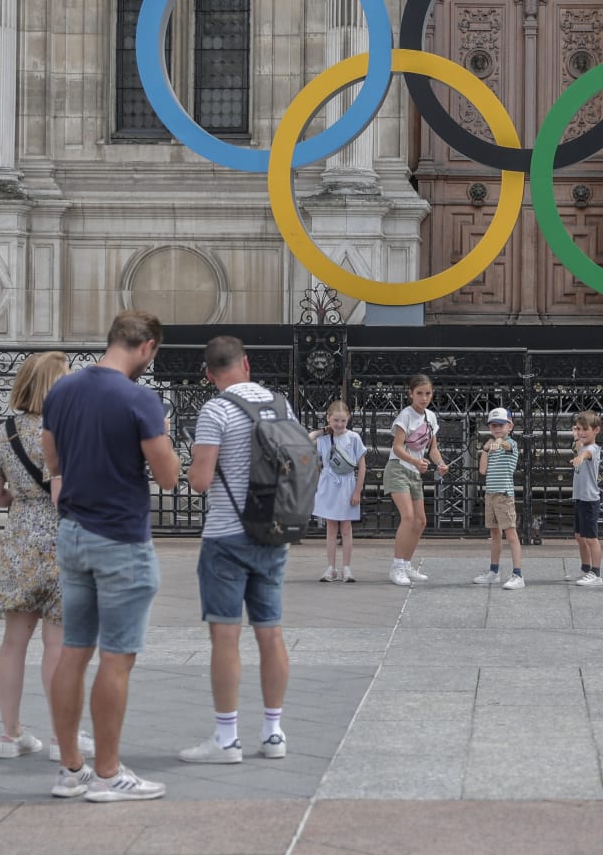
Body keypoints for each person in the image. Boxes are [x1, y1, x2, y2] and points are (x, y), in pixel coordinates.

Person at [42, 310, 181, 802]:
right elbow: (168, 477)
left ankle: (70, 768)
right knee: (117, 660)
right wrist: (164, 438)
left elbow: (52, 460)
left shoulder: (62, 391)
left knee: (73, 652)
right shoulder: (140, 399)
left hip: (73, 534)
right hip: (121, 538)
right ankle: (107, 774)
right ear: (146, 347)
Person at [0, 350, 94, 763]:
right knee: (57, 643)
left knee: (13, 641)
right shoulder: (69, 431)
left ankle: (11, 734)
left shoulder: (2, 434)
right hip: (63, 536)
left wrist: (20, 497)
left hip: (21, 538)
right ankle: (64, 735)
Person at [179, 336, 296, 766]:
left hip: (227, 536)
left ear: (210, 374)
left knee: (226, 636)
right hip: (273, 532)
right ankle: (273, 732)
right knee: (271, 633)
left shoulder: (216, 410)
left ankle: (227, 739)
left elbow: (201, 481)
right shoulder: (282, 405)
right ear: (246, 364)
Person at [386, 373, 446, 586]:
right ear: (410, 394)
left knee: (421, 521)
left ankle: (406, 564)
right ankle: (396, 567)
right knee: (409, 517)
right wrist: (415, 461)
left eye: (427, 393)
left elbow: (433, 448)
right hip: (398, 469)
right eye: (419, 393)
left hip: (414, 472)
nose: (424, 397)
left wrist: (440, 464)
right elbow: (397, 446)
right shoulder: (406, 415)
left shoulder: (431, 417)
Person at [311, 401, 366, 582]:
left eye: (343, 421)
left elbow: (362, 466)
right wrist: (322, 431)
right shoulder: (324, 439)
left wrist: (357, 491)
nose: (340, 424)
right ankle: (331, 568)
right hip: (329, 484)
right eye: (335, 420)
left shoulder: (353, 438)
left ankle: (347, 568)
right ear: (328, 419)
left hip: (347, 484)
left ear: (348, 419)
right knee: (331, 527)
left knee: (347, 527)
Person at [473, 407, 525, 590]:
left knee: (511, 534)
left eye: (501, 425)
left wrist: (499, 442)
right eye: (494, 425)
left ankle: (518, 574)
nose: (497, 428)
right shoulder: (491, 445)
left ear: (510, 426)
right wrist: (486, 449)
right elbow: (482, 470)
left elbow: (508, 446)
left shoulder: (511, 444)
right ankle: (494, 572)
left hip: (504, 495)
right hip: (491, 495)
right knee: (495, 534)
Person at [571, 412, 603, 587]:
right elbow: (579, 447)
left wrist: (580, 457)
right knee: (579, 536)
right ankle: (585, 568)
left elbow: (585, 455)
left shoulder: (592, 449)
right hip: (580, 498)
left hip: (589, 499)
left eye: (585, 429)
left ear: (596, 430)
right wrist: (576, 435)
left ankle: (596, 573)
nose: (581, 432)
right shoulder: (583, 445)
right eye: (579, 429)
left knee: (591, 538)